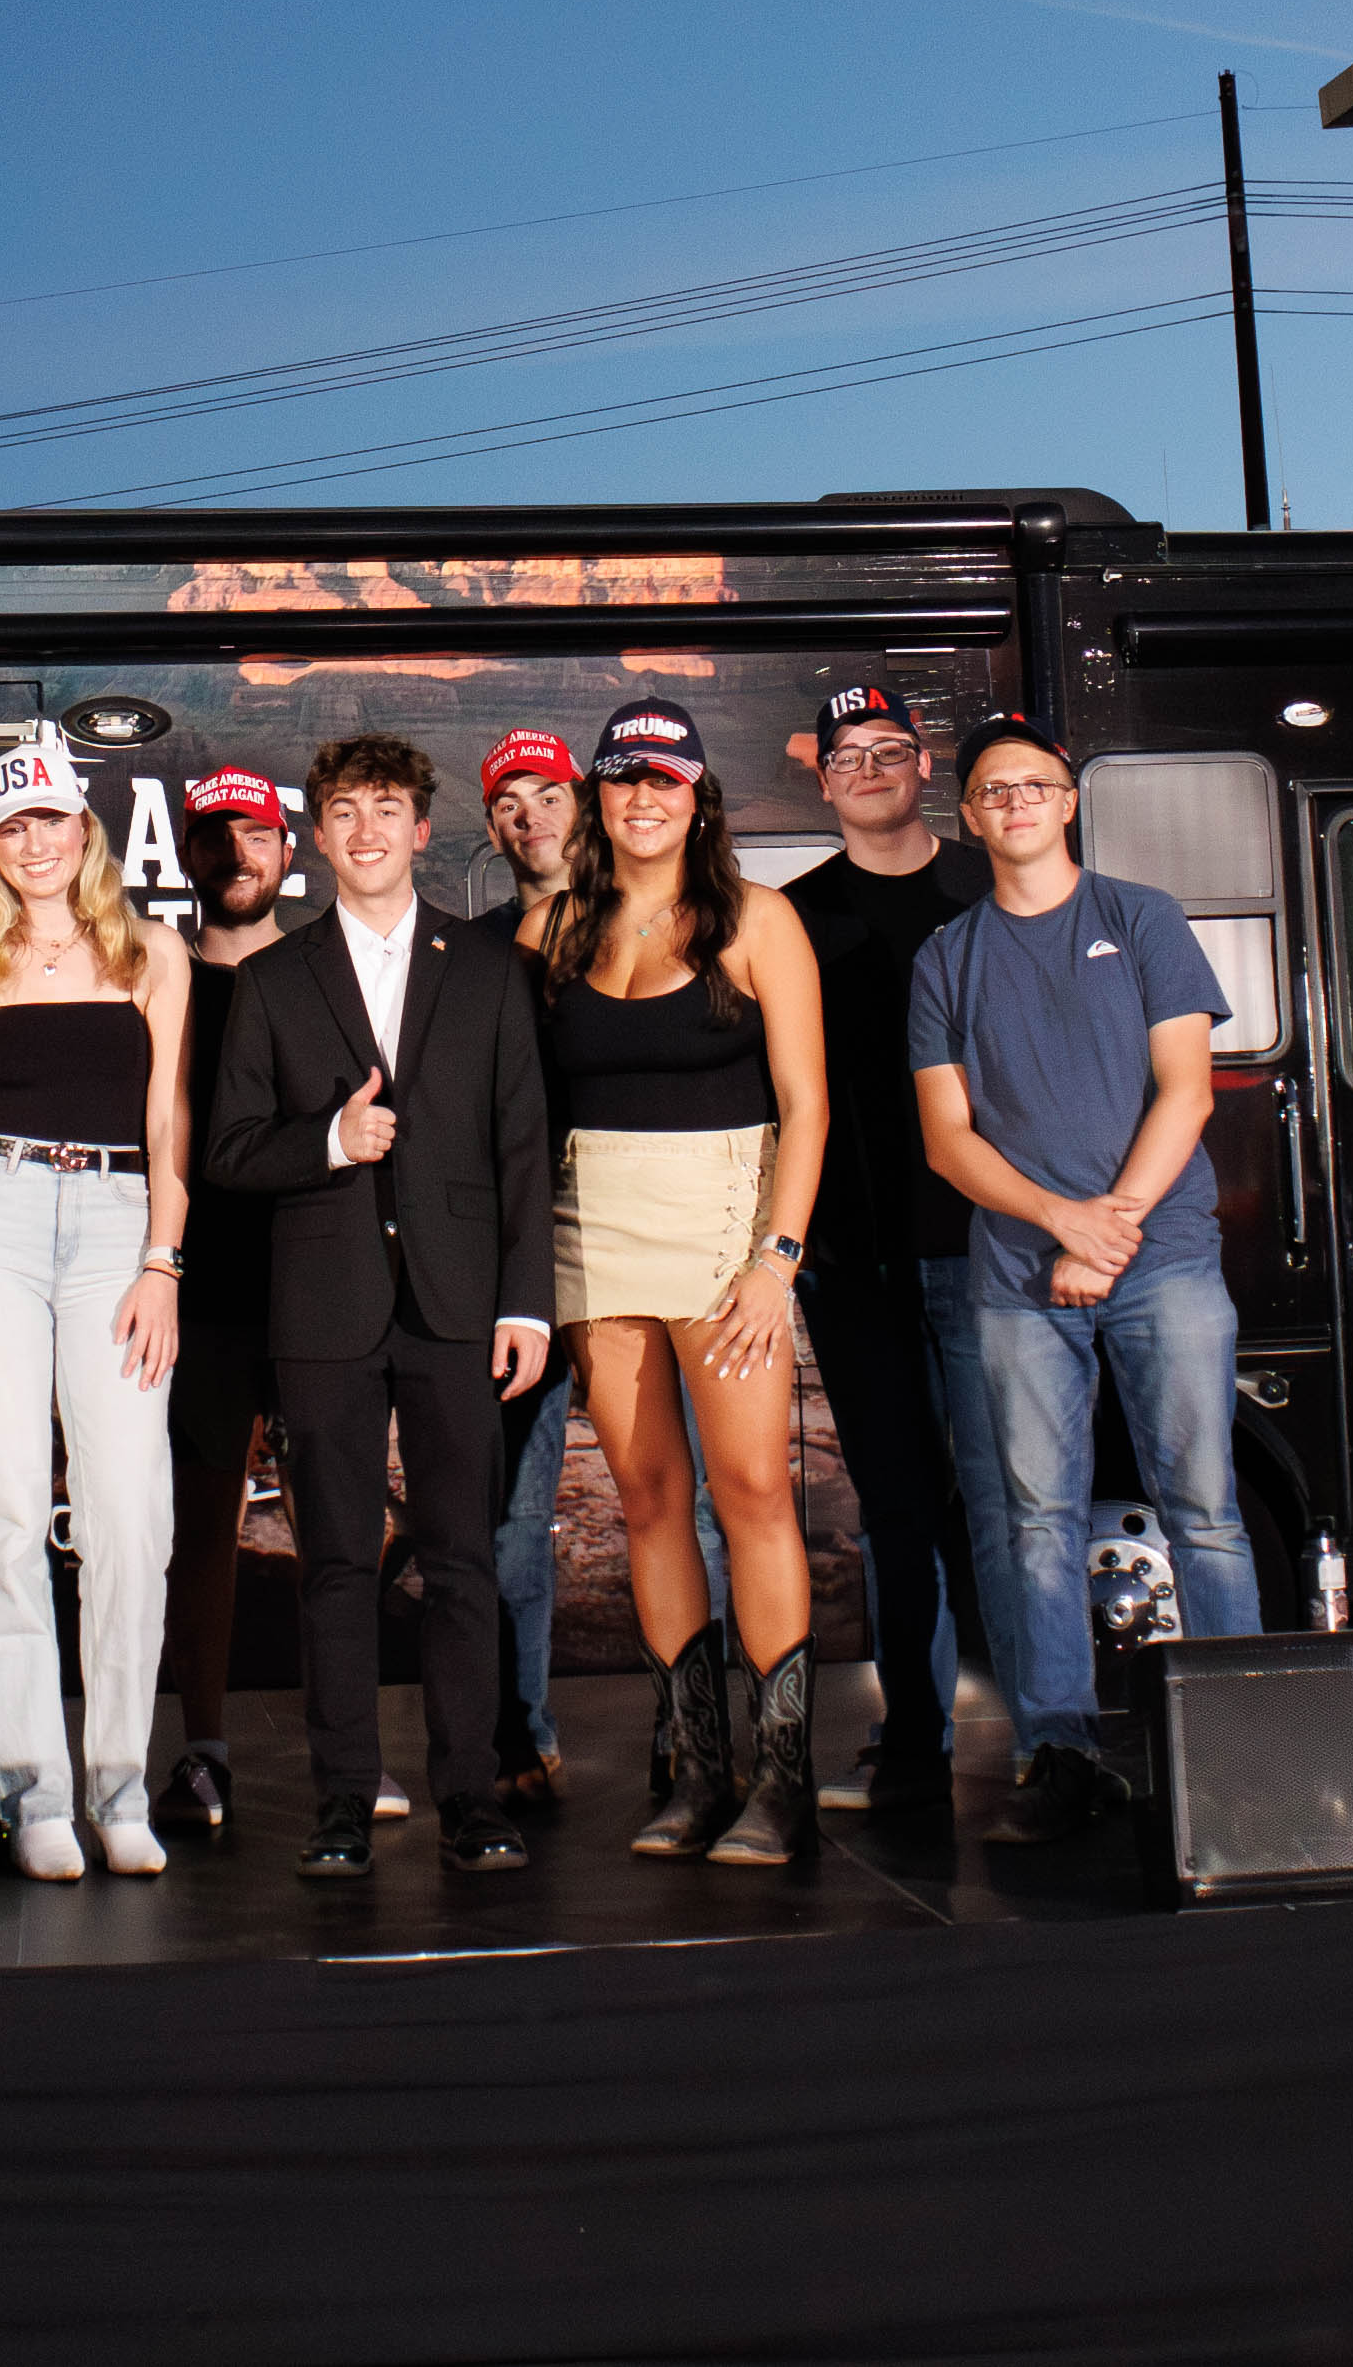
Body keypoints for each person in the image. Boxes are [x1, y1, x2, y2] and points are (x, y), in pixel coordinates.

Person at [208, 732, 552, 1882]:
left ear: (419, 828)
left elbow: (520, 1150)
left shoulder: (489, 969)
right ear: (318, 835)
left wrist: (527, 1306)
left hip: (460, 1307)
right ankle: (343, 1801)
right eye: (343, 811)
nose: (364, 830)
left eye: (386, 808)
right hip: (323, 1306)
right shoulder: (270, 980)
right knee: (337, 1568)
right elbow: (230, 1152)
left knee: (462, 1559)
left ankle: (470, 1794)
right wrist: (328, 1140)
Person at [912, 712, 1254, 1845]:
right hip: (1015, 1271)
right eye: (991, 789)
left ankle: (1237, 1738)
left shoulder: (1139, 919)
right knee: (1033, 1520)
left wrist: (1105, 1231)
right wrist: (1059, 1222)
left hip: (1163, 1260)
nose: (1013, 801)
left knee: (1201, 1509)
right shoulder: (945, 957)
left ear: (1066, 802)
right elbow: (946, 1139)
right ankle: (1056, 1741)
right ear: (967, 817)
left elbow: (1186, 1090)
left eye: (1034, 784)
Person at [522, 698, 831, 1870]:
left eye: (663, 779)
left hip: (723, 1236)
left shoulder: (758, 919)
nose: (641, 798)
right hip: (591, 1234)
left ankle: (781, 1778)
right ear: (594, 796)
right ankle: (700, 1773)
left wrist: (775, 1258)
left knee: (750, 1493)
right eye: (620, 779)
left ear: (696, 793)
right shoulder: (550, 930)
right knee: (649, 1501)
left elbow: (804, 1106)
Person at [0, 734, 187, 1882]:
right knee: (5, 1506)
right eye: (12, 827)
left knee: (127, 1513)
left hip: (117, 1223)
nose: (35, 843)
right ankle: (34, 1794)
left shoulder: (148, 954)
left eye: (50, 820)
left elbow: (167, 1123)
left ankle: (119, 1785)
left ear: (84, 829)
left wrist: (163, 1261)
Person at [476, 730, 737, 1813]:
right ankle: (515, 1734)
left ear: (582, 809)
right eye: (507, 802)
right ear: (488, 827)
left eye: (548, 795)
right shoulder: (495, 946)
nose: (528, 815)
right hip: (533, 1268)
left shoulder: (706, 922)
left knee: (701, 1505)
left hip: (673, 1251)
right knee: (519, 1515)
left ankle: (697, 1741)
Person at [779, 685, 1002, 1819]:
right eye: (844, 755)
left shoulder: (986, 888)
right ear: (819, 779)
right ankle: (912, 1727)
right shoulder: (792, 916)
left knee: (1001, 1494)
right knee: (894, 1499)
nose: (866, 767)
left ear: (923, 765)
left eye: (887, 749)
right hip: (852, 1258)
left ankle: (1037, 1724)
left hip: (983, 1249)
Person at [151, 767, 291, 1834]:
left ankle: (354, 1748)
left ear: (285, 849)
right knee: (202, 1531)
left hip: (318, 1279)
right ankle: (202, 1748)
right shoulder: (155, 979)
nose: (235, 854)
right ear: (182, 854)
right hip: (199, 1289)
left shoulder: (332, 975)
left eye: (255, 832)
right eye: (214, 836)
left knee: (339, 1523)